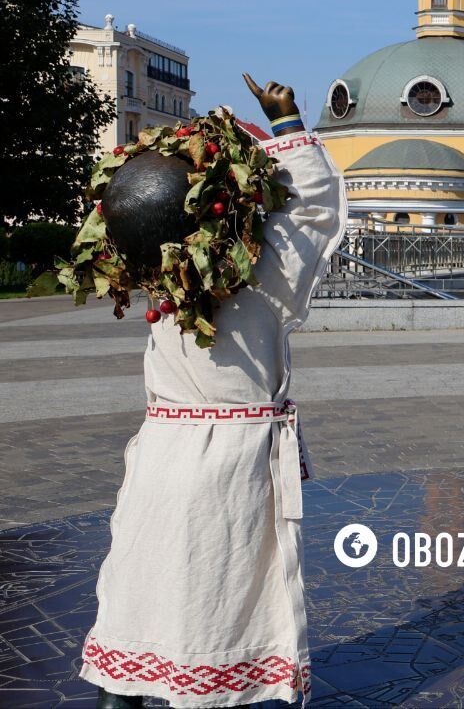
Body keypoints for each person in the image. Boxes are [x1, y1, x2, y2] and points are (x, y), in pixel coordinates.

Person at [77, 76, 346, 707]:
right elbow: (311, 212)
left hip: (160, 455)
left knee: (141, 587)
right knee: (215, 600)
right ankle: (206, 690)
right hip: (230, 467)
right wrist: (288, 126)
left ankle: (122, 690)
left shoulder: (154, 278)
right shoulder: (260, 285)